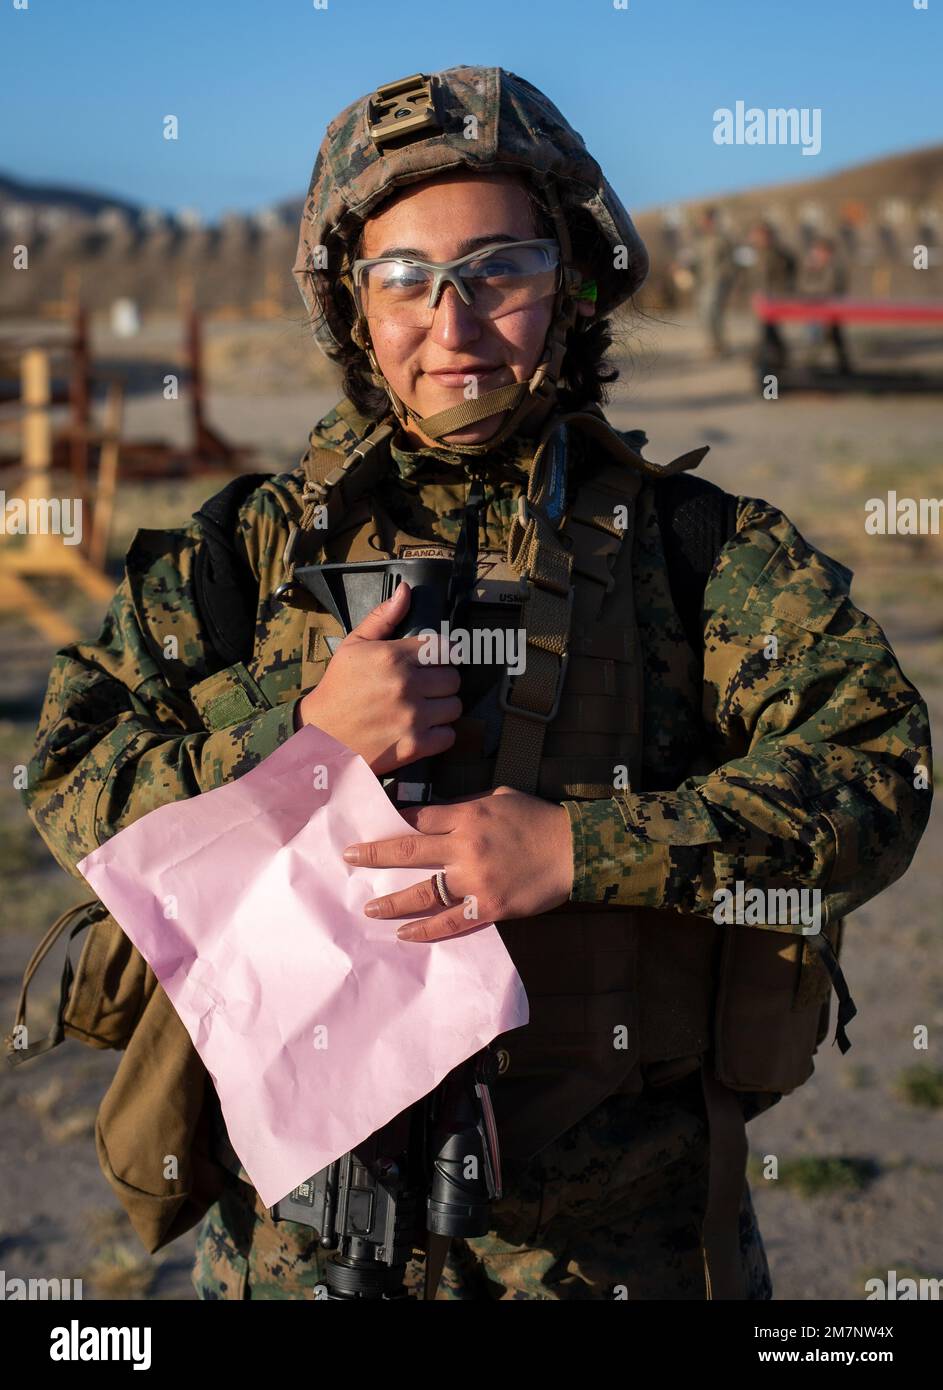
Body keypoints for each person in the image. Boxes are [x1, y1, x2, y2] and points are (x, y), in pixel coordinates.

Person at [21, 66, 931, 1301]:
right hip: (295, 1249)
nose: (451, 323)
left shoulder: (695, 551)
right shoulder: (244, 556)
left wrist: (582, 848)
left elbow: (878, 767)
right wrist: (295, 739)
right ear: (352, 306)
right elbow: (69, 776)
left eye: (500, 267)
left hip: (624, 1250)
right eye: (404, 276)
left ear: (573, 283)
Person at [748, 218, 797, 373]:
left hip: (775, 297)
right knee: (768, 330)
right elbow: (755, 276)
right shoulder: (757, 253)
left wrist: (782, 292)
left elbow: (787, 273)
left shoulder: (778, 252)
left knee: (769, 330)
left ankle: (770, 365)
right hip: (763, 297)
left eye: (759, 235)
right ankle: (773, 360)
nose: (756, 238)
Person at [797, 234, 852, 374]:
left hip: (832, 308)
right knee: (814, 338)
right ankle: (812, 367)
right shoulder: (809, 265)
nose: (819, 254)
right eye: (817, 251)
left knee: (834, 337)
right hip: (814, 309)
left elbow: (830, 287)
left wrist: (815, 288)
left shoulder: (835, 267)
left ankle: (842, 368)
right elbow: (803, 285)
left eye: (823, 251)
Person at [691, 205, 736, 357]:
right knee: (705, 313)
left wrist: (725, 277)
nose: (703, 223)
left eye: (706, 220)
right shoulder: (700, 240)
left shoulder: (722, 239)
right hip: (703, 282)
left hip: (718, 281)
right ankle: (715, 344)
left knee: (712, 311)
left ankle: (718, 345)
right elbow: (696, 262)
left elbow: (731, 261)